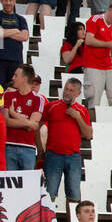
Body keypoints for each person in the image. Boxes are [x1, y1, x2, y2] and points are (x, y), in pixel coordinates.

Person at [41, 77, 92, 205]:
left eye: (71, 90)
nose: (67, 92)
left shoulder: (82, 111)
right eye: (66, 89)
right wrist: (40, 149)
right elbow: (37, 126)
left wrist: (77, 117)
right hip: (53, 154)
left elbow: (88, 134)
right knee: (49, 193)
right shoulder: (52, 106)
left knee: (74, 196)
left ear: (78, 94)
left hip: (73, 156)